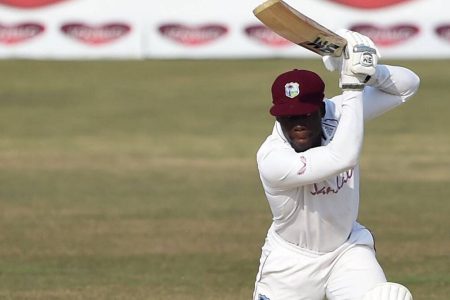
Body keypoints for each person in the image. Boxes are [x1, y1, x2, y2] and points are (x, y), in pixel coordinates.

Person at [252, 30, 420, 300]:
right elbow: (342, 157)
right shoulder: (273, 158)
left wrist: (365, 70)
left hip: (347, 249)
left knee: (387, 297)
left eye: (305, 115)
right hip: (291, 262)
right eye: (287, 117)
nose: (297, 125)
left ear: (321, 109)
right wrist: (352, 85)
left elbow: (408, 85)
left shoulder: (337, 112)